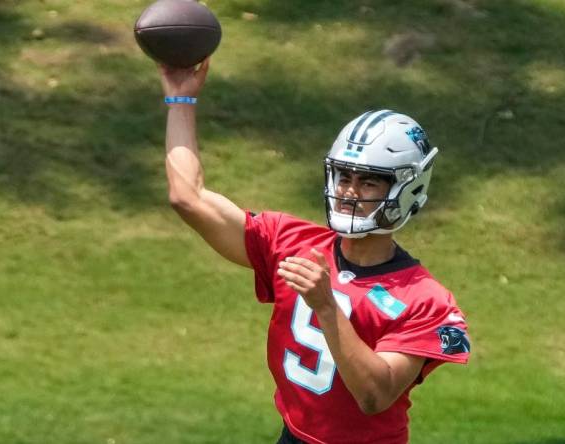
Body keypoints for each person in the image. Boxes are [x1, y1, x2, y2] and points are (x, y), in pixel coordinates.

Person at [159, 59, 470, 444]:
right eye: (344, 176)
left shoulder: (424, 300)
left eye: (369, 181)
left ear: (408, 188)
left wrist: (327, 305)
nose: (350, 192)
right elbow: (187, 198)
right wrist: (180, 97)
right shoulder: (290, 242)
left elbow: (374, 395)